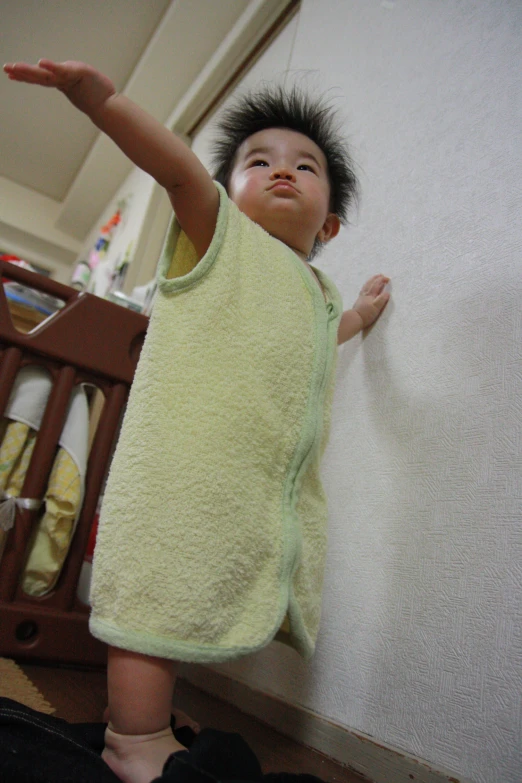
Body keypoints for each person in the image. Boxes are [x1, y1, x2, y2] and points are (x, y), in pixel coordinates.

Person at [3, 58, 390, 783]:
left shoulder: (316, 293)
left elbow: (316, 338)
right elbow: (177, 170)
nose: (282, 171)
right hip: (182, 459)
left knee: (189, 593)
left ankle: (155, 713)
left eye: (305, 166)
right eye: (259, 161)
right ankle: (133, 733)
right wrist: (103, 103)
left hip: (246, 478)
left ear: (329, 221)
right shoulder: (220, 236)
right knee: (156, 591)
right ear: (228, 191)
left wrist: (361, 315)